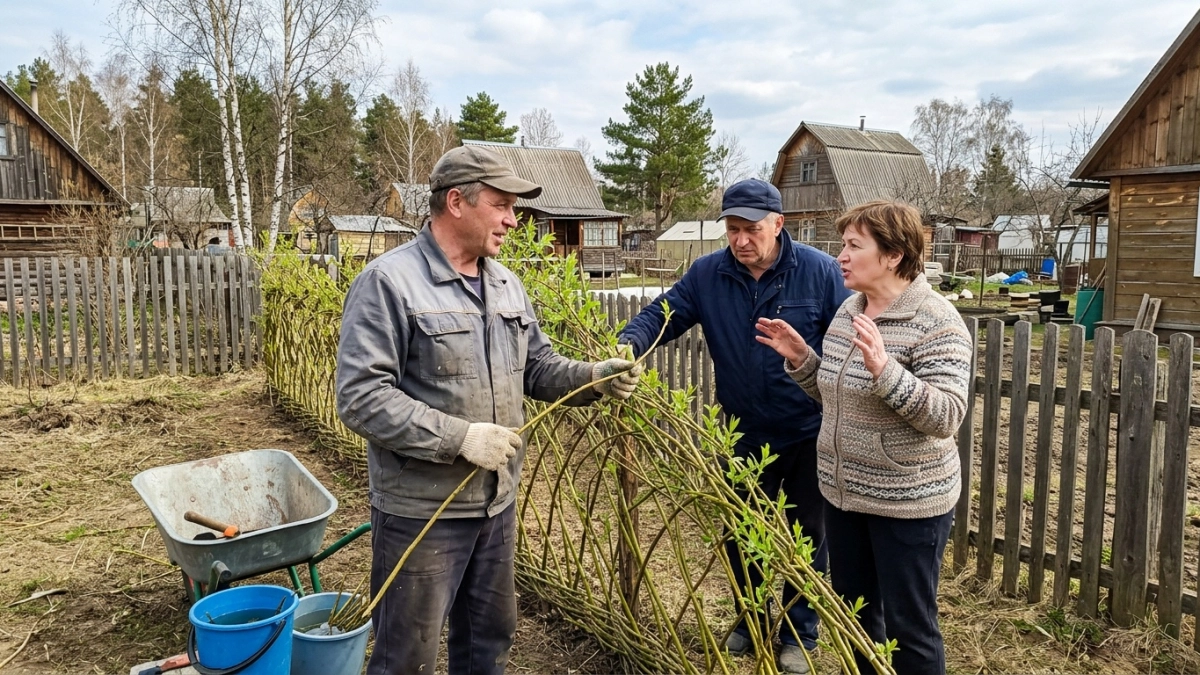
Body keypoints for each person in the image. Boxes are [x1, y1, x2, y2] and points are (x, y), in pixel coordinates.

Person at [335, 145, 644, 675]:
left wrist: (593, 377)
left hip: (495, 505)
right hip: (422, 513)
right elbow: (361, 396)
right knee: (405, 656)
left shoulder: (505, 283)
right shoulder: (390, 282)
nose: (511, 220)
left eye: (514, 208)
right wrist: (459, 438)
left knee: (489, 644)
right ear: (456, 201)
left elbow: (537, 366)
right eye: (502, 205)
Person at [619, 179, 849, 674]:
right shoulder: (709, 274)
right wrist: (628, 345)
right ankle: (747, 621)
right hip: (743, 431)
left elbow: (847, 343)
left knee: (808, 533)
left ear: (779, 225)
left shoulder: (820, 272)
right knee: (742, 529)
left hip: (810, 430)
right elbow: (662, 315)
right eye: (733, 229)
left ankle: (798, 633)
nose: (742, 240)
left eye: (752, 229)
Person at [755, 200, 972, 675]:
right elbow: (835, 395)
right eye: (843, 245)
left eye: (854, 246)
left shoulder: (936, 321)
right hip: (845, 498)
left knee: (910, 629)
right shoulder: (849, 311)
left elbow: (947, 416)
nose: (841, 256)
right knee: (858, 621)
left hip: (907, 504)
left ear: (893, 255)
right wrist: (802, 360)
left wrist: (885, 369)